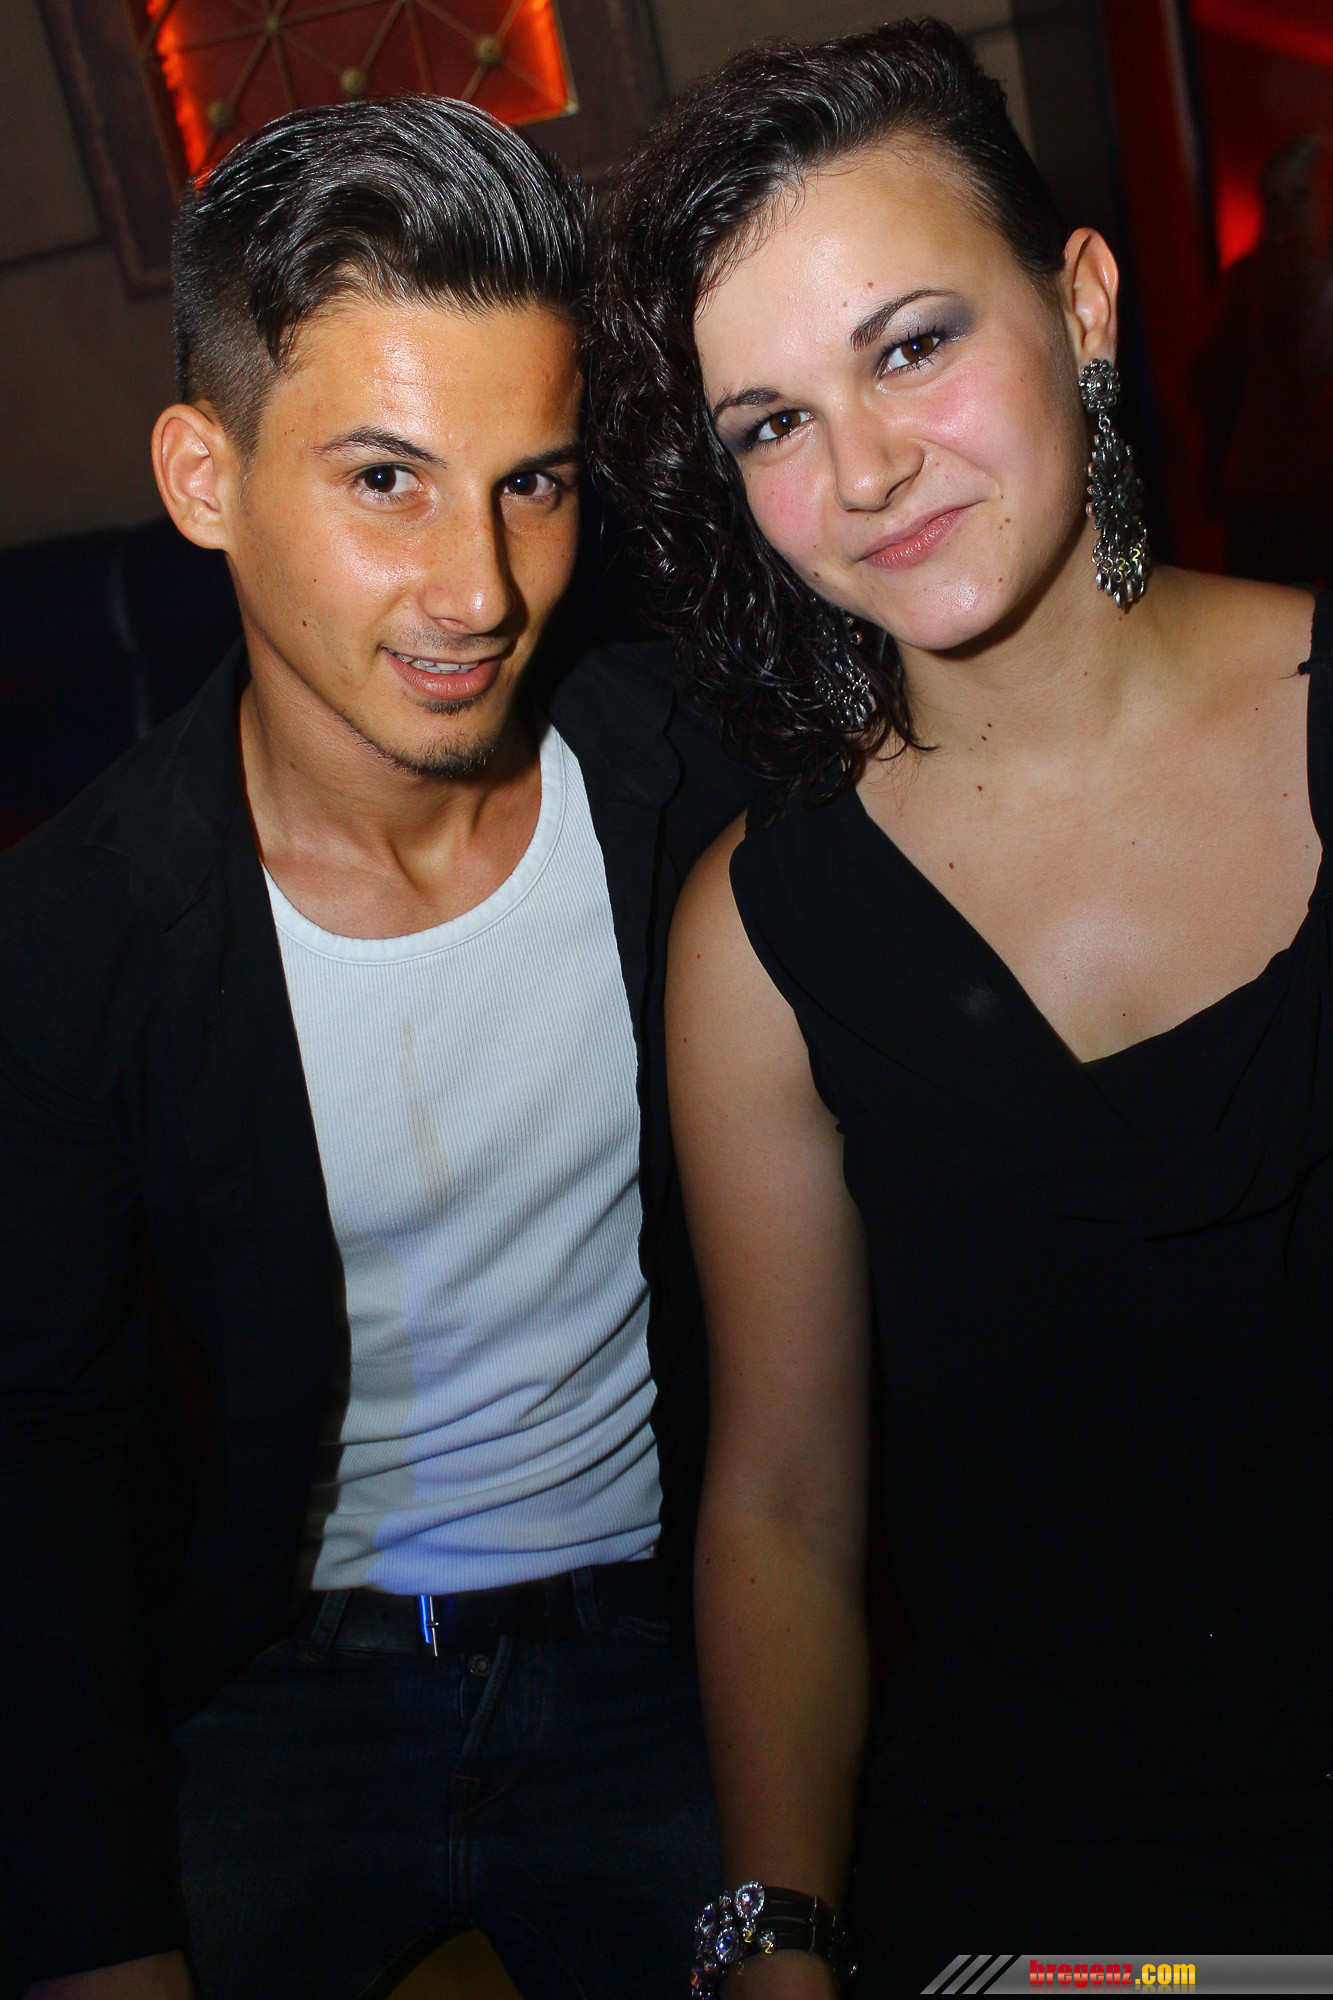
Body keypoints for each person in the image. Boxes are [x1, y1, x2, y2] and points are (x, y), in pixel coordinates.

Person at [589, 21, 1333, 1995]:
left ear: (1080, 303)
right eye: (769, 422)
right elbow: (779, 1505)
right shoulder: (758, 937)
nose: (861, 471)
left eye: (910, 345)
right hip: (1051, 1896)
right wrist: (777, 1933)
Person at [0, 96, 750, 2000]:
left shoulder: (692, 787)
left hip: (665, 1642)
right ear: (203, 476)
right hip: (288, 1674)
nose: (479, 590)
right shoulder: (76, 938)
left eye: (532, 481)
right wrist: (97, 1934)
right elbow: (43, 1459)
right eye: (387, 480)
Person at [1190, 132, 1333, 588]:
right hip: (1263, 502)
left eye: (1299, 196)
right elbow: (1203, 386)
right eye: (1273, 199)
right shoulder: (1244, 284)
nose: (1284, 213)